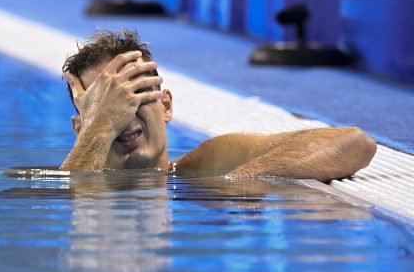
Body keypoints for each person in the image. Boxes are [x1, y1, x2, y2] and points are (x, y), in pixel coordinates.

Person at [59, 29, 377, 182]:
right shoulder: (49, 184)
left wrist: (242, 180)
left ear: (166, 106)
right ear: (80, 129)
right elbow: (67, 201)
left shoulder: (202, 169)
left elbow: (354, 143)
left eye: (135, 91)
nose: (123, 114)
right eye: (106, 104)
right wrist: (99, 128)